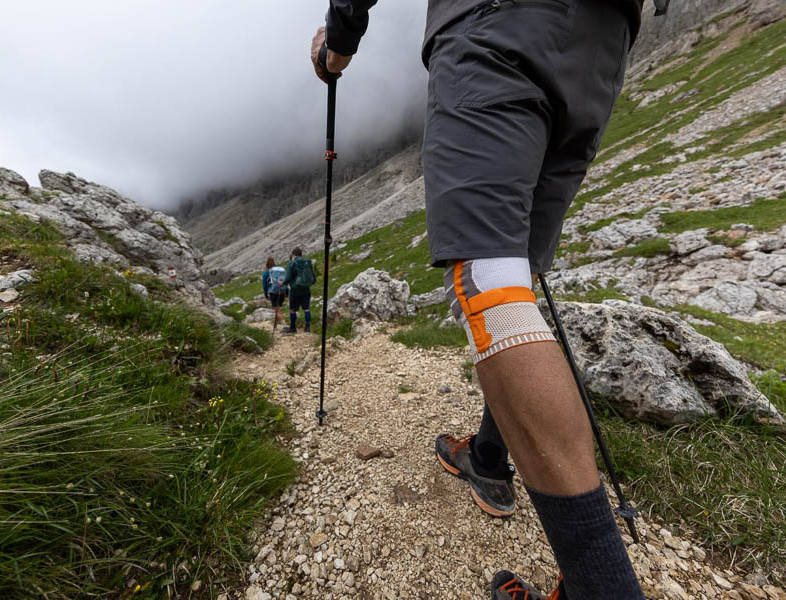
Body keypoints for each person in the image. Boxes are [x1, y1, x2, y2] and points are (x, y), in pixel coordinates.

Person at [311, 0, 651, 598]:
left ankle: (603, 586)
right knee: (515, 278)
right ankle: (490, 460)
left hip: (495, 27)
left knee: (492, 287)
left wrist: (340, 39)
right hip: (603, 46)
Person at [282, 247, 318, 334]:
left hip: (295, 291)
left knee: (293, 310)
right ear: (301, 254)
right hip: (306, 290)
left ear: (293, 255)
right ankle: (307, 327)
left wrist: (283, 283)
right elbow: (313, 278)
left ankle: (293, 328)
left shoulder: (291, 263)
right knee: (306, 309)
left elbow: (288, 278)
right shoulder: (307, 262)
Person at [261, 257, 287, 332]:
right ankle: (275, 326)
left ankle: (285, 326)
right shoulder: (280, 271)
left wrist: (266, 294)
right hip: (282, 291)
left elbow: (265, 285)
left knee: (277, 310)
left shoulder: (266, 273)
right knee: (278, 309)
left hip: (273, 292)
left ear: (267, 264)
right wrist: (286, 292)